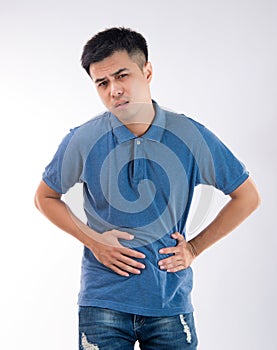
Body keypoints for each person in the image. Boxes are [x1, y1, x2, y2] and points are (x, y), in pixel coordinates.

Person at [34, 27, 261, 350]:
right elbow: (45, 197)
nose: (114, 90)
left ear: (147, 71)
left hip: (169, 302)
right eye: (102, 83)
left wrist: (194, 248)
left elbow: (247, 196)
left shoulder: (189, 136)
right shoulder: (83, 139)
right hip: (103, 304)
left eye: (122, 75)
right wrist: (94, 242)